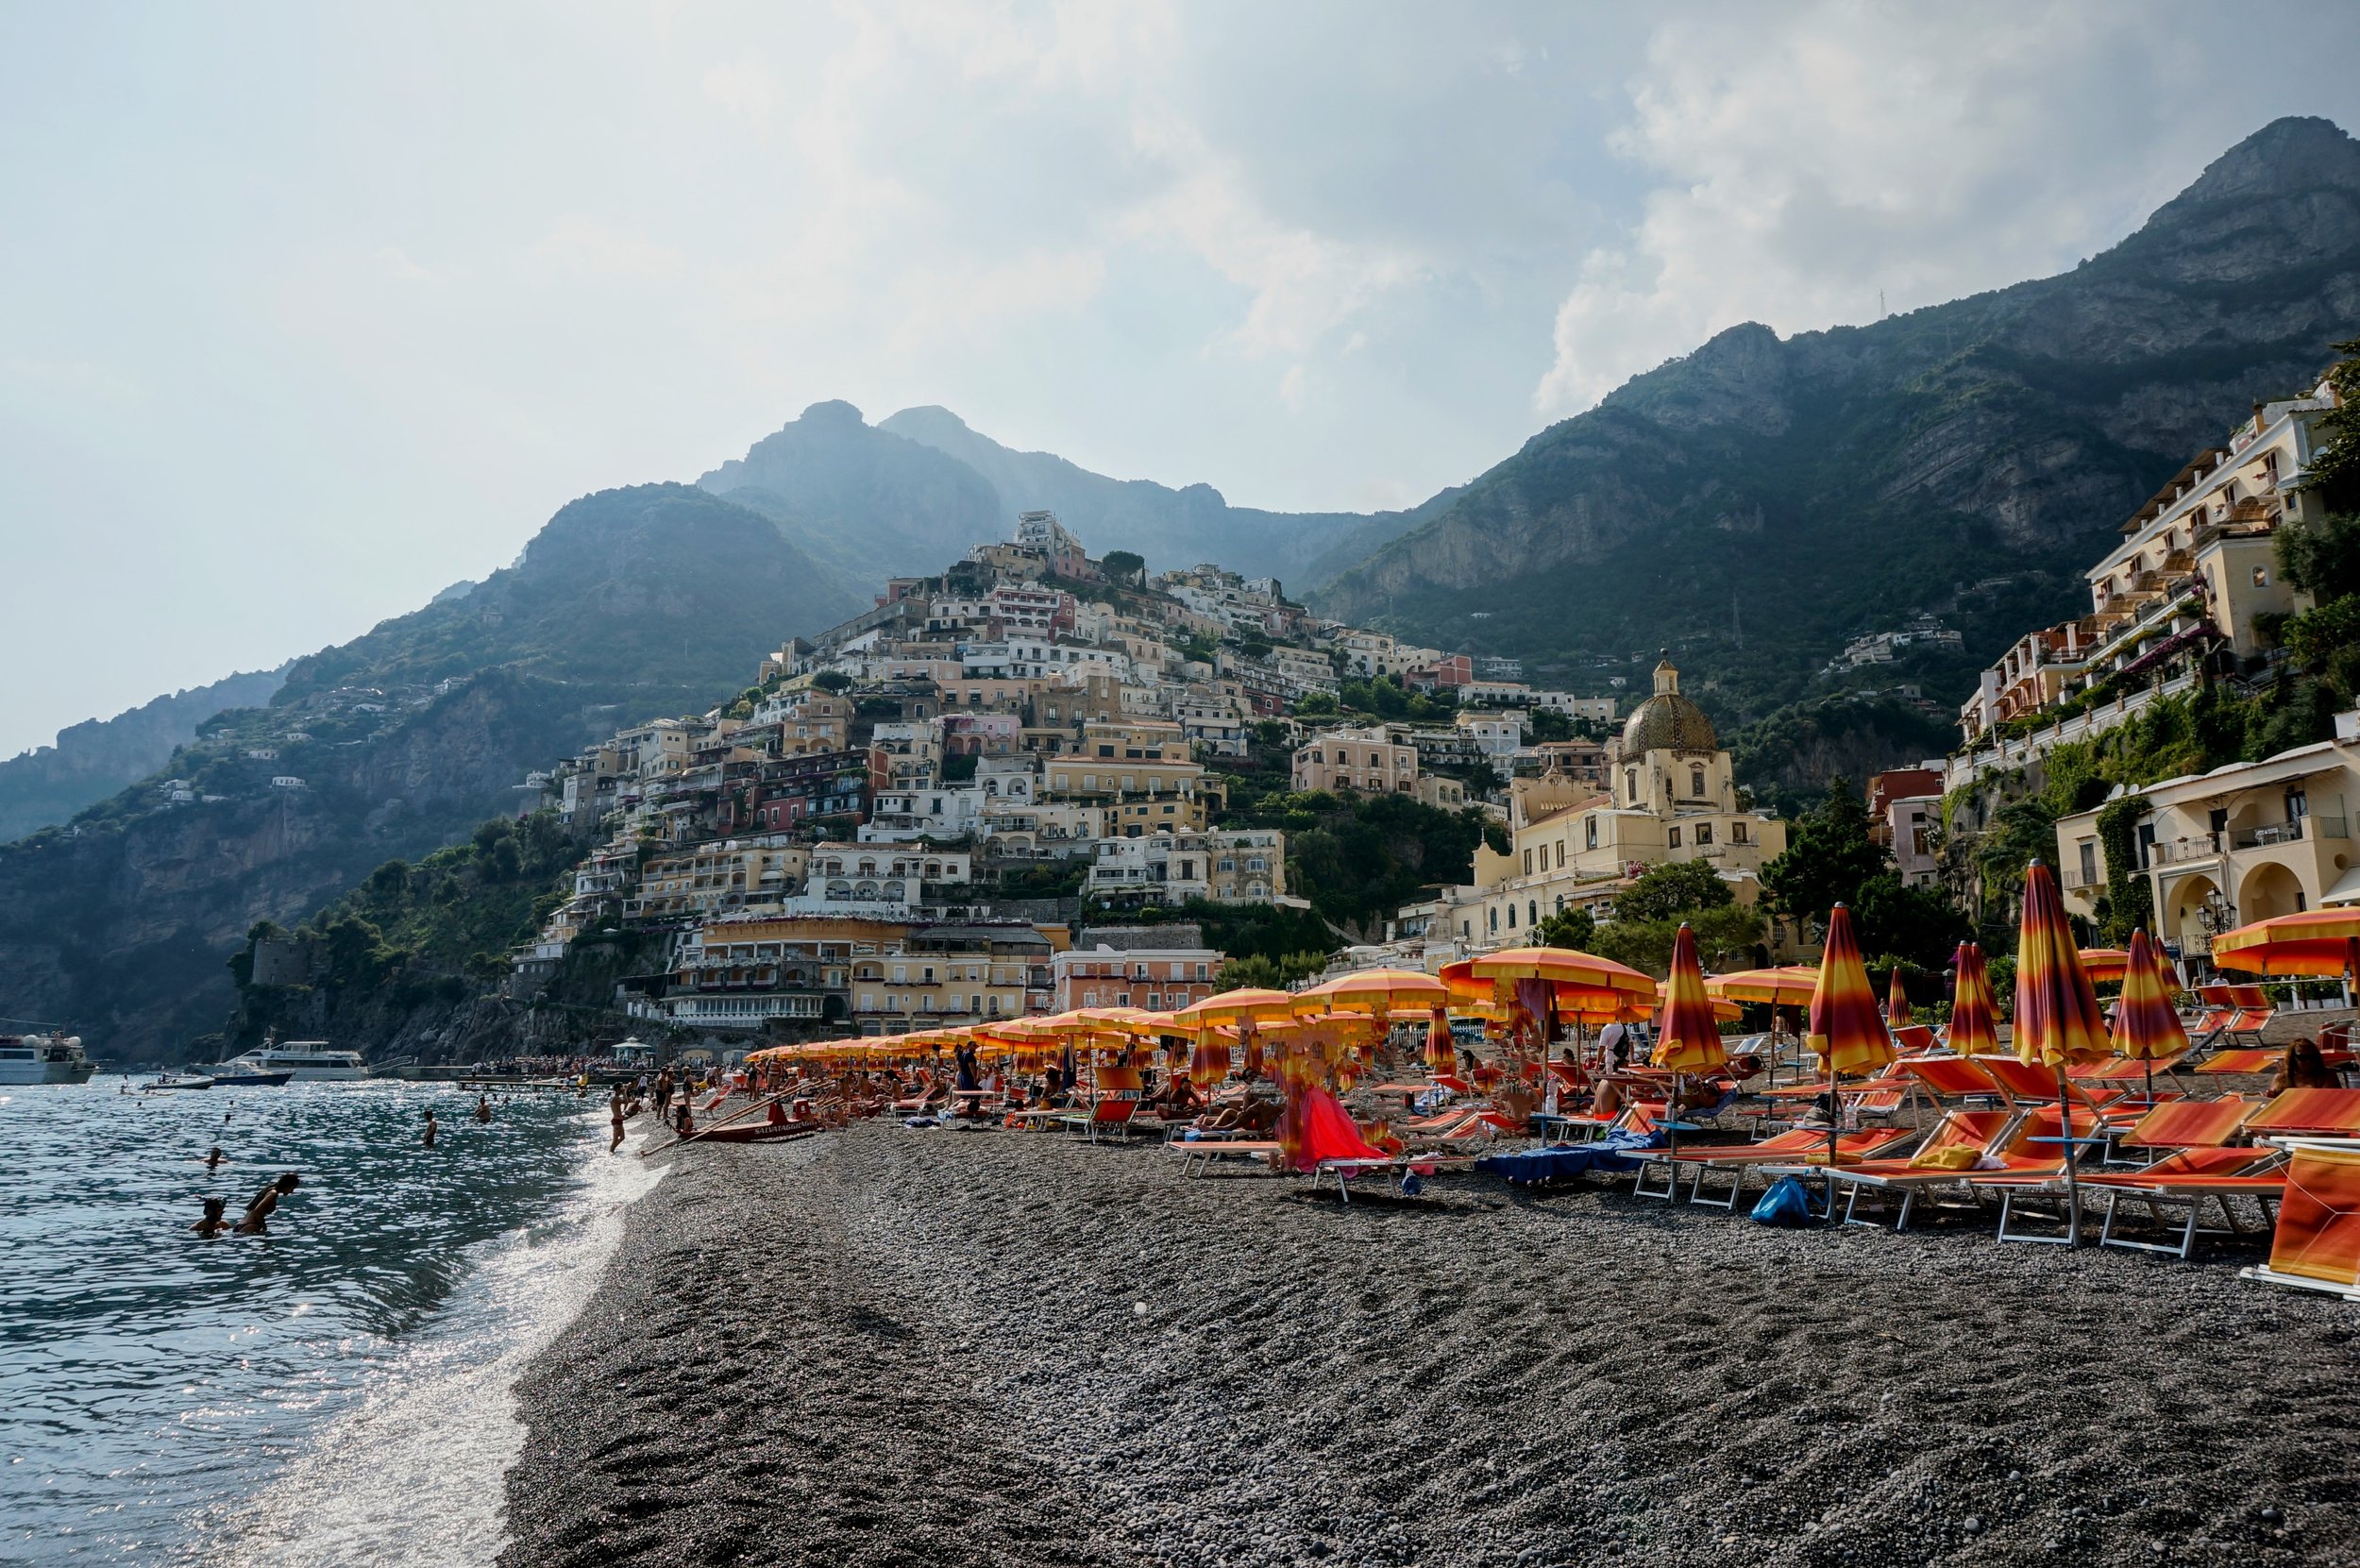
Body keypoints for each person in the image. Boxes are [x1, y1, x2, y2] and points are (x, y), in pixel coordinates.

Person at [236, 1172, 301, 1235]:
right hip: (251, 1226)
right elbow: (257, 1212)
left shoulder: (267, 1190)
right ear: (289, 1186)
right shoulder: (273, 1194)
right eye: (293, 1188)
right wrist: (264, 1229)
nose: (292, 1191)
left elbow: (252, 1209)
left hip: (241, 1225)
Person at [2270, 1037, 2339, 1094]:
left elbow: (2329, 1099)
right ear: (2292, 1058)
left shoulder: (2326, 1076)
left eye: (2312, 1056)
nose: (2308, 1061)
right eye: (2302, 1057)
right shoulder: (2281, 1079)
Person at [609, 1088, 627, 1153]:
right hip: (617, 1120)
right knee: (615, 1139)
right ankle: (611, 1151)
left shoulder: (614, 1098)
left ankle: (612, 1149)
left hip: (618, 1119)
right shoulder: (615, 1098)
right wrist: (624, 1092)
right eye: (621, 1088)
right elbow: (625, 1101)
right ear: (618, 1089)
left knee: (622, 1137)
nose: (622, 1089)